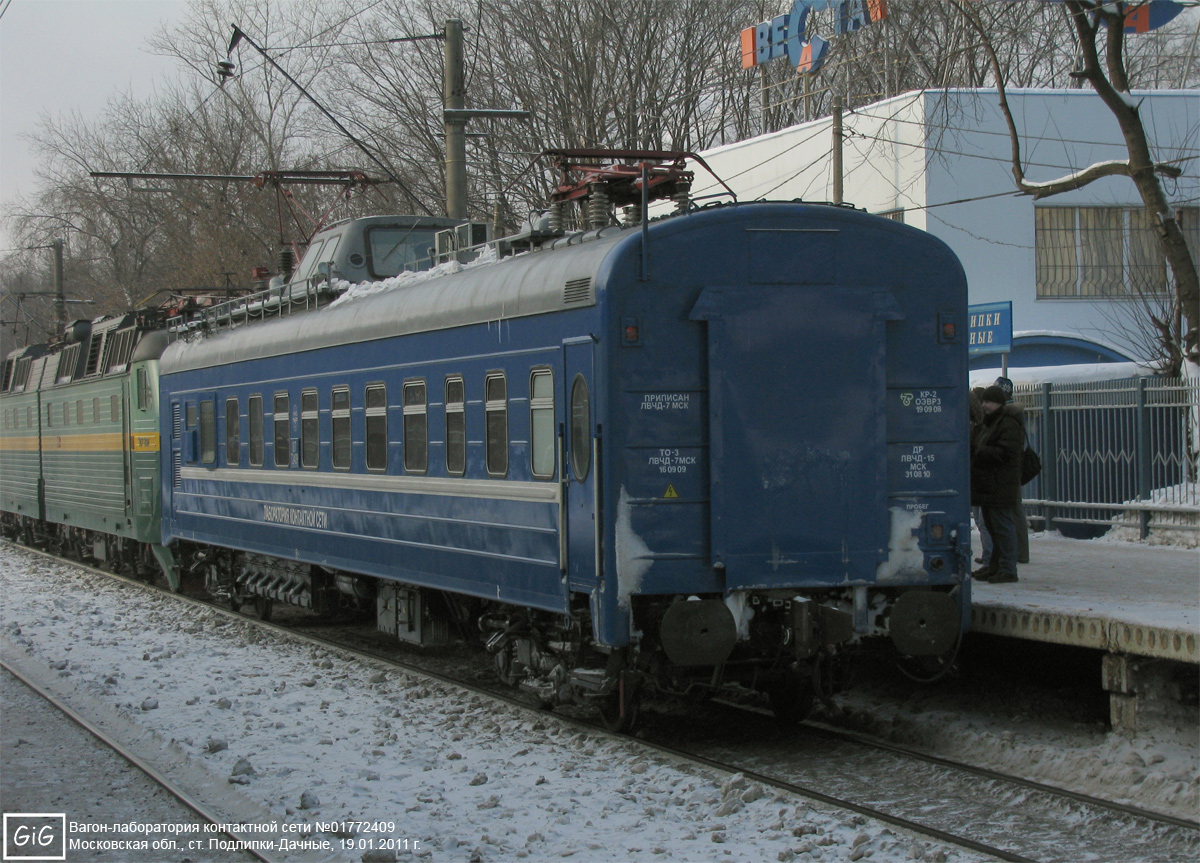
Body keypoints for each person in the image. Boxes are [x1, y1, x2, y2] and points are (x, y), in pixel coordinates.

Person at [971, 385, 1024, 584]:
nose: (984, 405)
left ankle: (1008, 569)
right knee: (993, 528)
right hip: (989, 485)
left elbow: (1006, 453)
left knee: (1002, 528)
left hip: (1001, 485)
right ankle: (995, 566)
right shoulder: (990, 422)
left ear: (999, 403)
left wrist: (979, 451)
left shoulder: (1008, 423)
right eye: (983, 401)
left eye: (988, 402)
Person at [992, 376, 1031, 564]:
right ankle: (1019, 551)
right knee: (1015, 509)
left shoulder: (1007, 414)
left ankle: (1019, 553)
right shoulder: (1015, 413)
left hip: (1009, 469)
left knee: (1013, 510)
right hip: (1015, 467)